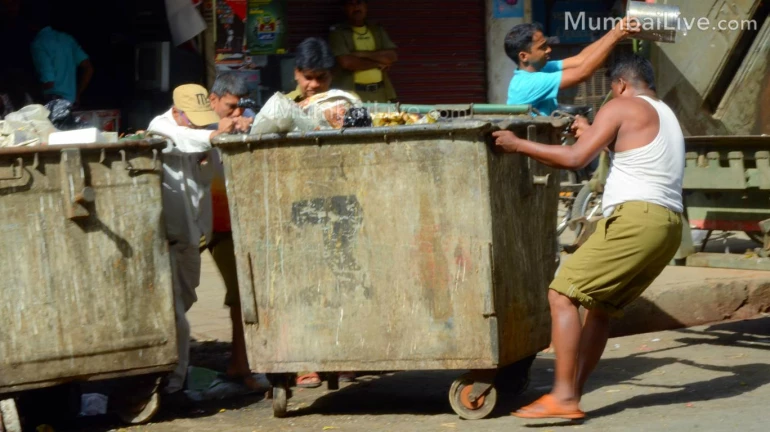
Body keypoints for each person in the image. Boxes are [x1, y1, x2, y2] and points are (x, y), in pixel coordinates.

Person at [493, 54, 684, 419]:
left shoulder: (621, 105)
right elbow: (632, 155)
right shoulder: (663, 112)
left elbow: (575, 159)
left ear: (621, 85)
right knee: (598, 309)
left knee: (562, 292)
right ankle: (572, 396)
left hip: (636, 220)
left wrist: (518, 145)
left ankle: (563, 396)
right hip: (668, 225)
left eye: (612, 91)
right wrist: (594, 133)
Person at [147, 84, 238, 402]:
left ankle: (169, 373)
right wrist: (212, 136)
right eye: (194, 119)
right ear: (177, 111)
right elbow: (180, 141)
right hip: (169, 238)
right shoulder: (160, 127)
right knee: (176, 317)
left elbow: (204, 173)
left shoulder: (199, 130)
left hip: (192, 235)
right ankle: (173, 385)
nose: (199, 124)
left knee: (185, 302)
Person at [203, 72, 263, 390]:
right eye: (230, 107)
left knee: (241, 295)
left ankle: (241, 365)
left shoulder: (245, 119)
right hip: (202, 220)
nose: (237, 114)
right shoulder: (196, 124)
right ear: (213, 100)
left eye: (241, 108)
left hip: (229, 223)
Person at [504, 17, 638, 116]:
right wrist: (615, 36)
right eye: (542, 47)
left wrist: (616, 31)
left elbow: (580, 60)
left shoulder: (542, 68)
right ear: (523, 56)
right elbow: (581, 73)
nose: (549, 50)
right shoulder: (528, 83)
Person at [329, 0, 398, 103]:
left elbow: (391, 56)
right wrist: (378, 63)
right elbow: (347, 63)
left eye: (359, 3)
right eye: (351, 4)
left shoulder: (376, 30)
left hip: (380, 92)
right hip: (352, 95)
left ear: (365, 7)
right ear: (344, 8)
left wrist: (360, 54)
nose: (356, 7)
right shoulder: (338, 32)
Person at [25, 3, 93, 105]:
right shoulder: (67, 39)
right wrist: (77, 94)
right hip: (70, 103)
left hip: (53, 103)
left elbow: (48, 81)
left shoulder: (38, 43)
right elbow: (88, 68)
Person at [287, 37, 336, 104]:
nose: (314, 85)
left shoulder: (348, 103)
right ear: (296, 73)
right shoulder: (282, 106)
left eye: (321, 77)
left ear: (332, 74)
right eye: (308, 77)